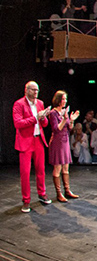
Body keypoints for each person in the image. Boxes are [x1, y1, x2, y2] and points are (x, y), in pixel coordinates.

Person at [13, 81, 52, 212]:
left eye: (37, 90)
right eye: (33, 90)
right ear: (26, 90)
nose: (36, 93)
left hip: (38, 141)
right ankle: (26, 200)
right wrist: (36, 117)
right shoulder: (19, 104)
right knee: (25, 173)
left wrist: (43, 118)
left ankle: (42, 194)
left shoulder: (40, 103)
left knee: (41, 170)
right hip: (25, 142)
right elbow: (18, 123)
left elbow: (45, 124)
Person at [48, 91, 80, 202]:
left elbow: (69, 129)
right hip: (57, 142)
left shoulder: (63, 113)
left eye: (65, 99)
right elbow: (56, 129)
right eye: (63, 99)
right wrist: (65, 118)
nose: (65, 101)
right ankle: (59, 193)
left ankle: (67, 190)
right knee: (58, 168)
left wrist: (71, 120)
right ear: (58, 100)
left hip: (65, 141)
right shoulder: (53, 113)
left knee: (66, 168)